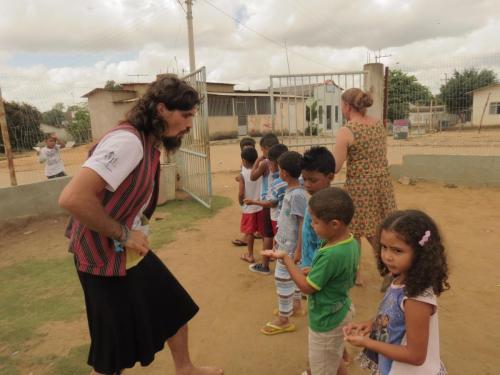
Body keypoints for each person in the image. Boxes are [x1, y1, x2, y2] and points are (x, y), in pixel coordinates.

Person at [59, 76, 223, 375]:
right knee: (112, 350)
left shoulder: (147, 142)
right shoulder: (128, 141)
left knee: (174, 306)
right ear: (161, 109)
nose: (189, 124)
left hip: (127, 250)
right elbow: (73, 198)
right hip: (102, 256)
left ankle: (185, 368)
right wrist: (123, 233)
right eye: (185, 115)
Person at [262, 187, 359, 375]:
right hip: (342, 308)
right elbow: (340, 273)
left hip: (327, 320)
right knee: (335, 355)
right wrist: (315, 272)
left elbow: (307, 288)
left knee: (323, 364)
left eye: (315, 222)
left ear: (334, 224)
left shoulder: (331, 254)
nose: (311, 226)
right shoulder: (350, 242)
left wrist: (286, 259)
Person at [343, 210, 449, 375]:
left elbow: (415, 356)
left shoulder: (416, 299)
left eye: (397, 251)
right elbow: (396, 316)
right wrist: (371, 325)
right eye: (384, 247)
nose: (387, 256)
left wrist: (367, 342)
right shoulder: (401, 278)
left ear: (420, 253)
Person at [333, 88, 396, 286]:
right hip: (382, 184)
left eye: (342, 104)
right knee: (381, 228)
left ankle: (372, 272)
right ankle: (388, 270)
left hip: (360, 187)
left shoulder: (347, 130)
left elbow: (335, 166)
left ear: (347, 106)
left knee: (358, 232)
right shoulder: (378, 125)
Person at [260, 151, 307, 335]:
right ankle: (295, 306)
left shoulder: (297, 195)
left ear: (284, 173)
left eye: (279, 169)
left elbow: (302, 223)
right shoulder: (291, 191)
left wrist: (298, 250)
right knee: (292, 278)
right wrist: (278, 241)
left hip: (290, 247)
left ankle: (283, 319)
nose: (278, 172)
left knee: (282, 279)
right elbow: (286, 221)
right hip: (285, 243)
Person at [299, 146, 335, 273]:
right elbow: (306, 231)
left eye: (313, 180)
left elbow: (330, 246)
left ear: (330, 177)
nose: (307, 184)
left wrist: (316, 269)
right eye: (304, 179)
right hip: (308, 264)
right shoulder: (313, 200)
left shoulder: (330, 208)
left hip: (320, 270)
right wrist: (299, 253)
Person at [248, 132, 279, 275]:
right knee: (281, 235)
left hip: (267, 202)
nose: (262, 152)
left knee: (268, 235)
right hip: (281, 202)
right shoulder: (284, 159)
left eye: (262, 150)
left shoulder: (266, 163)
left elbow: (252, 176)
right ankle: (282, 265)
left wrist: (258, 161)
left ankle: (265, 265)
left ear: (267, 148)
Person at [244, 143, 289, 236]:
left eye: (270, 164)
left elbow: (271, 203)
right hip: (284, 218)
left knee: (270, 236)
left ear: (277, 164)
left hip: (277, 218)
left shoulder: (278, 183)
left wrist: (253, 202)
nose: (269, 166)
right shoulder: (291, 178)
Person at [232, 137, 258, 247]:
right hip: (254, 199)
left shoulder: (259, 167)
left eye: (250, 148)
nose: (247, 151)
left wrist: (240, 200)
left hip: (252, 200)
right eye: (245, 149)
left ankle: (247, 240)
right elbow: (243, 176)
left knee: (250, 222)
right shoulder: (243, 166)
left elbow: (241, 191)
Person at [238, 146, 262, 263]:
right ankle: (269, 254)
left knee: (250, 233)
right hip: (261, 206)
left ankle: (250, 255)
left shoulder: (243, 174)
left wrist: (240, 201)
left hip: (249, 208)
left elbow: (241, 192)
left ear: (244, 161)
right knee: (264, 232)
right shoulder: (261, 171)